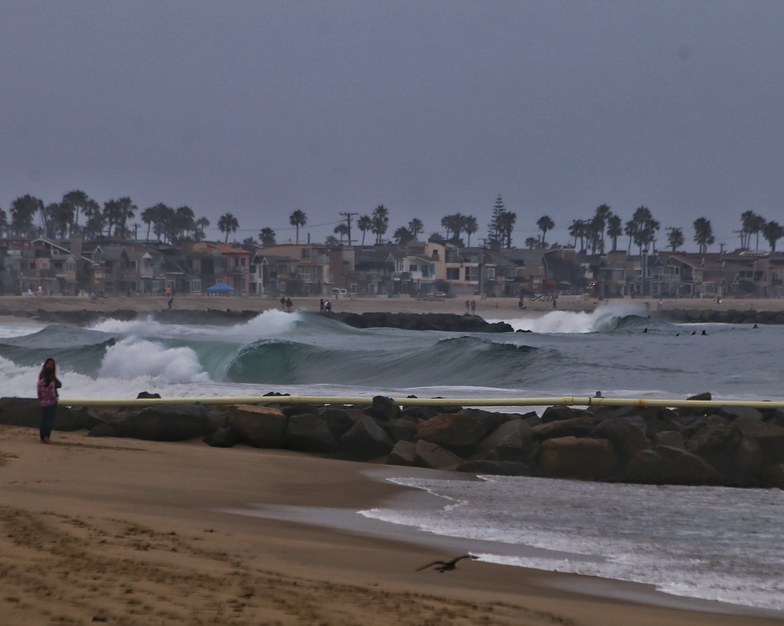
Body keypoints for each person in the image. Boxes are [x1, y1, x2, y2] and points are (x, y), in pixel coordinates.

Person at [36, 357, 62, 444]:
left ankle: (43, 437)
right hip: (51, 401)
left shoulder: (45, 378)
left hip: (44, 401)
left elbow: (39, 391)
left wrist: (41, 400)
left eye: (52, 364)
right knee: (48, 420)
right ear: (46, 364)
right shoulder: (48, 377)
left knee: (44, 420)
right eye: (49, 364)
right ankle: (46, 437)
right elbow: (52, 391)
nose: (51, 366)